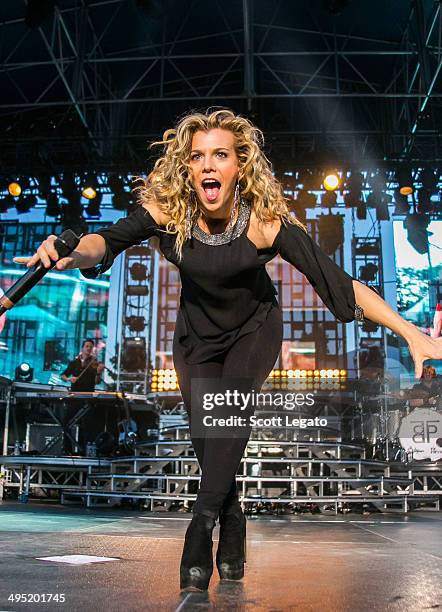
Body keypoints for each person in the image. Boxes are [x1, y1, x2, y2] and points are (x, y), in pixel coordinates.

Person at [14, 109, 442, 591]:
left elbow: (338, 283)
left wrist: (409, 331)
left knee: (227, 416)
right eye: (198, 157)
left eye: (220, 155)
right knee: (207, 437)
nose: (208, 165)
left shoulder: (263, 223)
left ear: (239, 166)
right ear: (188, 169)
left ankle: (200, 529)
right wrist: (71, 253)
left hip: (254, 331)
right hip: (195, 338)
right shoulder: (168, 216)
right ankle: (233, 516)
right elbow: (105, 242)